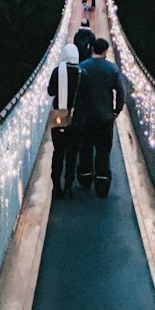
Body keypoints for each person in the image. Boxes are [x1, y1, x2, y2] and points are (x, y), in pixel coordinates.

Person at [74, 37, 125, 198]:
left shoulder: (82, 68)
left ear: (92, 49)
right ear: (105, 51)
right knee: (103, 152)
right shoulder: (112, 69)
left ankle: (85, 179)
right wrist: (116, 110)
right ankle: (102, 186)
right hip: (105, 118)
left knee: (86, 149)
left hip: (85, 118)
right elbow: (121, 92)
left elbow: (74, 90)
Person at [47, 43, 82, 198]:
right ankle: (68, 185)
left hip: (59, 117)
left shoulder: (57, 71)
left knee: (58, 152)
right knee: (72, 153)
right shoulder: (83, 73)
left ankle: (56, 186)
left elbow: (50, 91)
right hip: (76, 119)